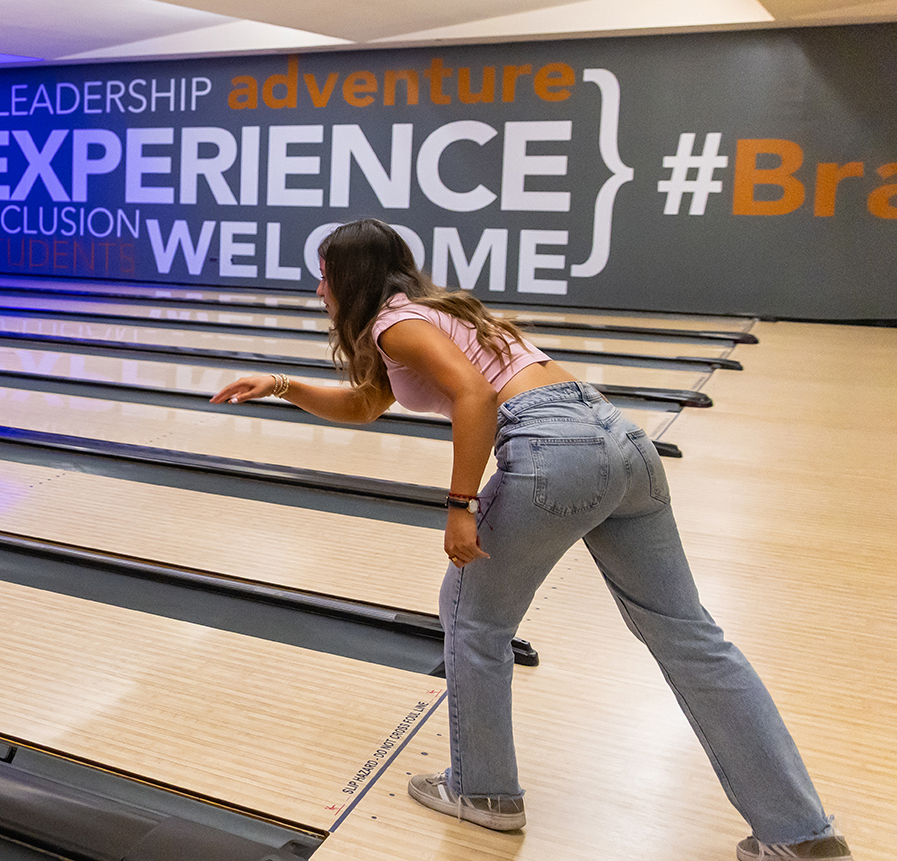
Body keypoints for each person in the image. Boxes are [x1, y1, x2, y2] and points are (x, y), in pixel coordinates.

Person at [212, 219, 847, 861]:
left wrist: (460, 505)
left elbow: (475, 395)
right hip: (622, 443)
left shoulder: (394, 325)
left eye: (324, 276)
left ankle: (484, 792)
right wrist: (282, 385)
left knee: (471, 618)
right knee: (692, 637)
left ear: (350, 278)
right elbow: (364, 405)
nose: (318, 289)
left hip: (553, 449)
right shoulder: (437, 314)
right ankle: (801, 835)